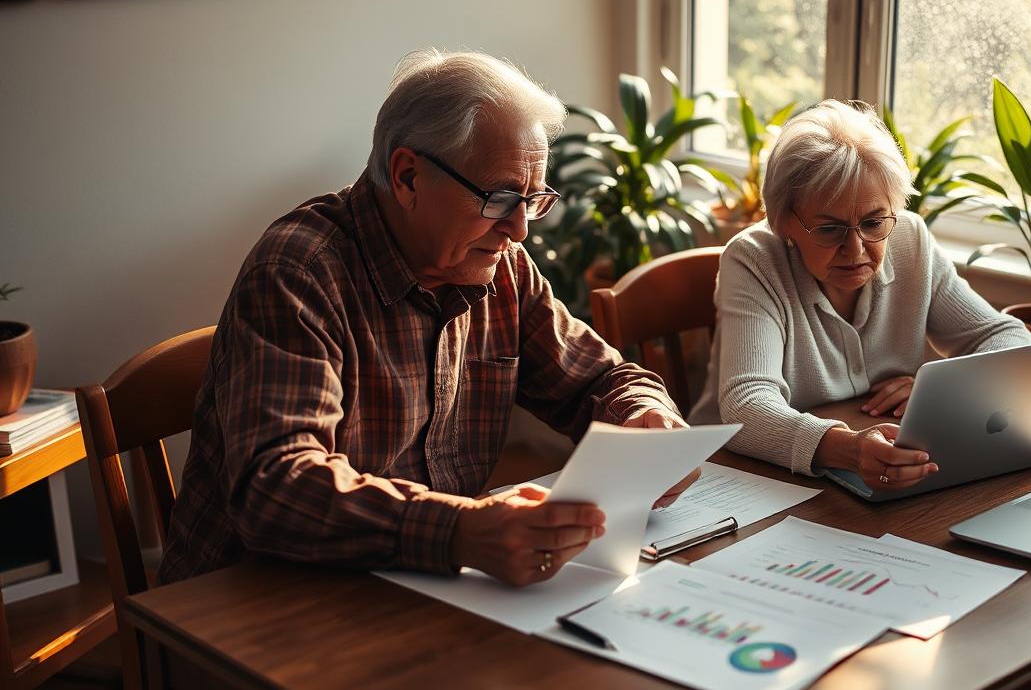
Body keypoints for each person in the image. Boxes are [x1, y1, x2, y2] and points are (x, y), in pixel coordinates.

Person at [159, 50, 697, 588]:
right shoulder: (299, 273)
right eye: (501, 197)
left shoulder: (498, 264)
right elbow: (277, 488)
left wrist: (644, 418)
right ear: (408, 176)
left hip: (415, 587)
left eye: (533, 201)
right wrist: (460, 532)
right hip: (250, 603)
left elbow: (598, 379)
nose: (520, 231)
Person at [689, 100, 1031, 492]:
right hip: (741, 479)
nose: (856, 250)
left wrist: (941, 388)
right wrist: (849, 449)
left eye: (873, 223)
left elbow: (1006, 336)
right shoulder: (753, 259)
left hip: (861, 479)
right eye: (830, 230)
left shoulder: (910, 239)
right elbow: (746, 407)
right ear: (784, 222)